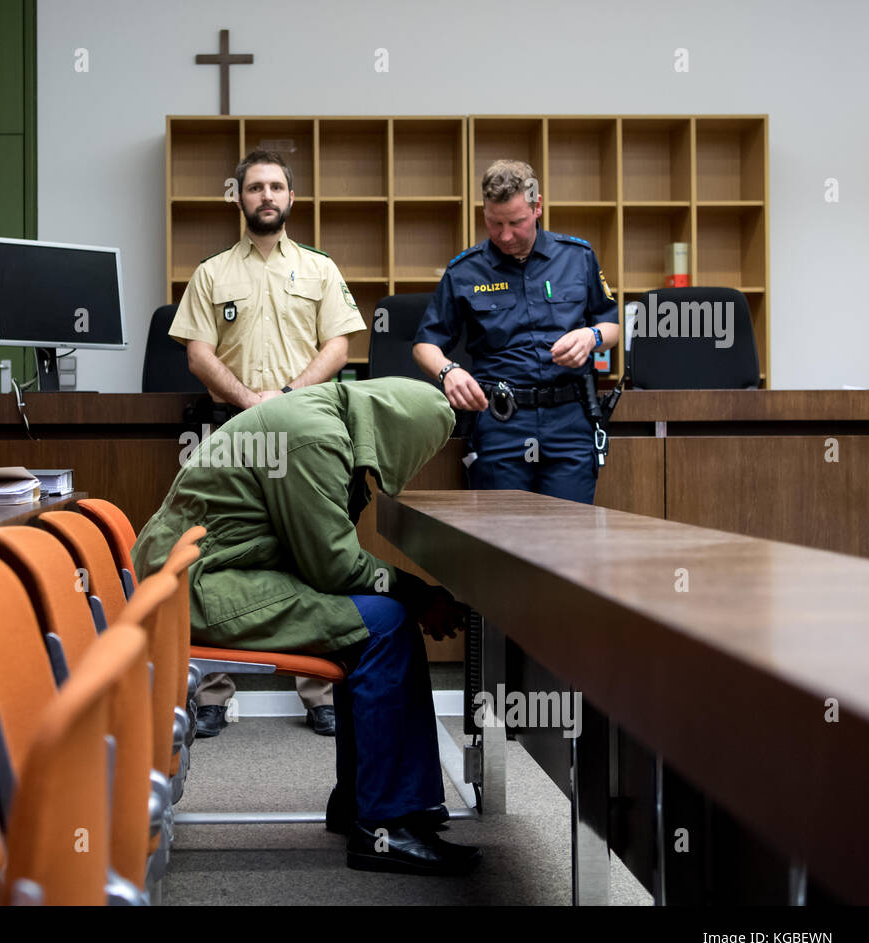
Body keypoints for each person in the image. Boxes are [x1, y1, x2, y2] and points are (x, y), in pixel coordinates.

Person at [131, 378, 481, 876]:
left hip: (201, 571)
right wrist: (419, 594)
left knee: (375, 618)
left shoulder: (323, 416)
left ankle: (365, 804)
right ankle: (387, 825)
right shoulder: (315, 437)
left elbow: (326, 556)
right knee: (382, 624)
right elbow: (333, 568)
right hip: (196, 585)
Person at [168, 149, 367, 737]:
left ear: (291, 198)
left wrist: (283, 396)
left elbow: (339, 347)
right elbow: (198, 353)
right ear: (239, 197)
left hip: (304, 432)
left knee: (314, 548)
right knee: (212, 552)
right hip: (231, 432)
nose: (266, 196)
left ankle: (320, 690)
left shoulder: (319, 269)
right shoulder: (211, 273)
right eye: (255, 188)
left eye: (276, 186)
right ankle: (211, 690)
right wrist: (251, 402)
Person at [413, 160, 621, 504]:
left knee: (570, 535)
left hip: (569, 419)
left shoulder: (578, 257)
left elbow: (611, 326)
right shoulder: (464, 271)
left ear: (537, 207)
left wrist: (591, 337)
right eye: (495, 223)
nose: (505, 235)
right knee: (502, 537)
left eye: (516, 222)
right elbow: (424, 345)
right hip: (501, 420)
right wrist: (448, 371)